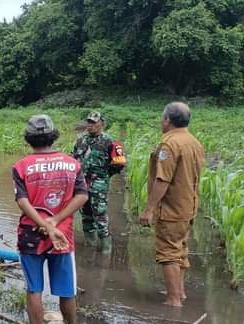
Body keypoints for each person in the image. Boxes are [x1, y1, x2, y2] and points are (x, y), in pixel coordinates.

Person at [13, 115, 88, 324]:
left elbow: (22, 201)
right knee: (66, 290)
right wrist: (55, 221)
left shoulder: (21, 166)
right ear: (53, 136)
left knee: (34, 289)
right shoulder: (72, 164)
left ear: (28, 138)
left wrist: (44, 224)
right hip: (63, 235)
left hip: (31, 234)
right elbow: (82, 196)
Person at [139, 102, 204, 307]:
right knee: (180, 250)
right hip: (188, 206)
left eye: (162, 118)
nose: (161, 121)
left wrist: (149, 209)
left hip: (171, 209)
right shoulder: (193, 141)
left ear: (167, 119)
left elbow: (163, 180)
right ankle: (180, 292)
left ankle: (173, 300)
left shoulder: (169, 144)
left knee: (168, 253)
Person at [71, 111, 126, 252]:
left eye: (94, 122)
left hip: (99, 187)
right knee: (86, 218)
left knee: (101, 218)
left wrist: (105, 175)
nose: (91, 125)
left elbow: (120, 163)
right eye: (89, 122)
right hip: (82, 186)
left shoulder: (110, 142)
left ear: (102, 123)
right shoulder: (81, 141)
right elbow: (73, 159)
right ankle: (90, 247)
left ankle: (106, 251)